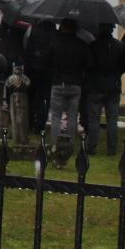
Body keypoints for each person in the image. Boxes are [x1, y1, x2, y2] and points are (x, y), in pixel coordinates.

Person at [47, 19, 90, 161]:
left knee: (56, 116)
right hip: (75, 83)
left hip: (58, 82)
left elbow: (49, 60)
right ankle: (69, 144)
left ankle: (54, 144)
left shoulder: (55, 43)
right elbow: (87, 64)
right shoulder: (82, 45)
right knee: (72, 116)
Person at [84, 23, 123, 155]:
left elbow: (88, 65)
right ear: (112, 30)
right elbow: (123, 66)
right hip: (113, 85)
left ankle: (91, 147)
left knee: (94, 119)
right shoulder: (119, 46)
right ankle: (112, 149)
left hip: (95, 86)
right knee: (112, 119)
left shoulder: (92, 47)